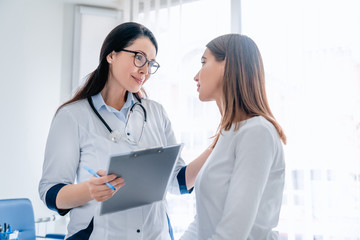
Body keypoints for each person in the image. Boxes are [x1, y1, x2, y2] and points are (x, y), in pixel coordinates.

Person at [38, 22, 211, 240]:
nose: (145, 70)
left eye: (151, 64)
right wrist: (89, 190)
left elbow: (178, 182)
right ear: (111, 55)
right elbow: (50, 193)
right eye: (139, 57)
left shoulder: (156, 113)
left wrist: (218, 143)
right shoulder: (72, 116)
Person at [180, 34, 287, 240]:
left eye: (203, 62)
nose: (196, 76)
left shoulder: (257, 132)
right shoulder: (227, 134)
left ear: (226, 65)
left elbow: (233, 232)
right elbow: (204, 221)